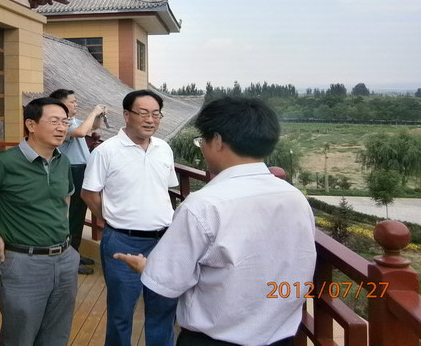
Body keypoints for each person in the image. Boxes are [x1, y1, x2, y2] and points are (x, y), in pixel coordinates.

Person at [115, 96, 317, 346]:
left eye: (203, 140)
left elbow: (167, 282)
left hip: (212, 340)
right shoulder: (295, 198)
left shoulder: (203, 205)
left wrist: (146, 267)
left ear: (218, 141)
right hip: (281, 338)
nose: (202, 147)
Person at [0, 97, 79, 346]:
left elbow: (65, 198)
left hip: (64, 259)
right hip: (23, 263)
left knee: (57, 336)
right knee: (19, 337)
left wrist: (65, 237)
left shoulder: (62, 161)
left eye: (65, 122)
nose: (62, 128)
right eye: (54, 121)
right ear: (31, 125)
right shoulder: (5, 163)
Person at [81, 89, 178, 346]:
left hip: (163, 242)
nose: (150, 120)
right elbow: (88, 194)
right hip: (122, 242)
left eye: (156, 114)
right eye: (143, 113)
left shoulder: (164, 148)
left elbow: (164, 189)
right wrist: (111, 220)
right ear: (126, 115)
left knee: (163, 312)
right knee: (121, 314)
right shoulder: (106, 151)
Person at [49, 88, 107, 274]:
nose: (76, 104)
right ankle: (70, 259)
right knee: (72, 215)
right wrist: (93, 112)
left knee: (79, 214)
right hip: (71, 171)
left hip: (82, 170)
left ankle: (75, 252)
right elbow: (82, 132)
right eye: (72, 101)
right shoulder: (60, 124)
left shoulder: (73, 121)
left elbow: (93, 126)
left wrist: (98, 116)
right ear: (61, 104)